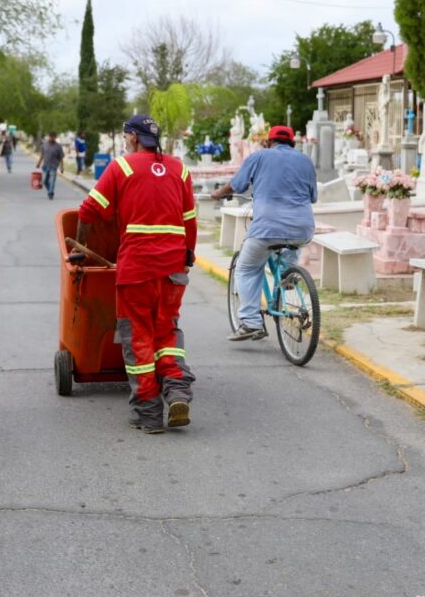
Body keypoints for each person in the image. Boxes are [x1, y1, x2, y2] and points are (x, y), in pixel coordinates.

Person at [76, 114, 197, 434]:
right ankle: (177, 390)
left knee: (139, 337)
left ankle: (148, 412)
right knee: (167, 331)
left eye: (126, 135)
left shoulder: (122, 167)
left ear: (132, 137)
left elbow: (89, 210)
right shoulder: (180, 169)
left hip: (136, 270)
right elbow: (190, 221)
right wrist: (187, 257)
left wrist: (79, 244)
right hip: (173, 268)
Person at [210, 125, 316, 342]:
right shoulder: (305, 161)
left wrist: (217, 194)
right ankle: (287, 279)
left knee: (247, 267)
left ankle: (250, 322)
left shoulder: (259, 156)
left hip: (267, 227)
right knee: (289, 247)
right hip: (302, 228)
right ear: (293, 144)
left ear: (268, 142)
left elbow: (236, 185)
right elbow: (312, 197)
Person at [36, 131, 65, 200]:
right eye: (51, 136)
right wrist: (39, 163)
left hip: (54, 166)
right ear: (49, 136)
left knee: (52, 180)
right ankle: (50, 190)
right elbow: (42, 155)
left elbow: (61, 158)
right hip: (45, 165)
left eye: (53, 137)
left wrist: (62, 167)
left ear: (55, 137)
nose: (52, 138)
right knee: (44, 180)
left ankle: (50, 193)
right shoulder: (44, 145)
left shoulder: (58, 147)